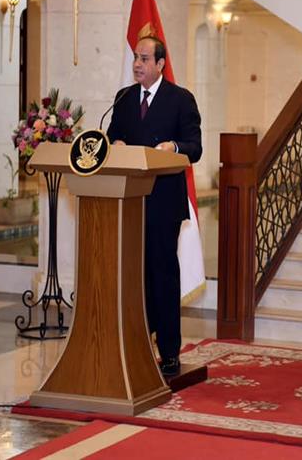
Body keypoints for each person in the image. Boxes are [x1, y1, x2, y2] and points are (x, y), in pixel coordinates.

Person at [107, 36, 202, 377]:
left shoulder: (180, 99)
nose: (137, 64)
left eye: (145, 58)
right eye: (136, 57)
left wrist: (173, 146)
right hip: (129, 200)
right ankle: (136, 345)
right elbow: (112, 136)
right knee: (134, 276)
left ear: (161, 64)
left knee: (162, 276)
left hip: (163, 203)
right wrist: (115, 143)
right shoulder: (124, 98)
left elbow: (195, 147)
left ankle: (170, 352)